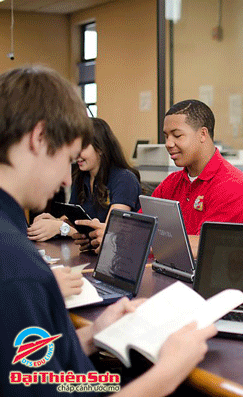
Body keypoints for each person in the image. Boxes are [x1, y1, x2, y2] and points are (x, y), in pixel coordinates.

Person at [0, 65, 217, 396]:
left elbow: (32, 373)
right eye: (68, 159)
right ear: (39, 138)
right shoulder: (19, 270)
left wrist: (93, 335)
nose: (64, 178)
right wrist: (170, 369)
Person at [76, 99, 243, 252]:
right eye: (166, 136)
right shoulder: (172, 183)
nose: (168, 143)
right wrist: (109, 235)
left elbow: (206, 245)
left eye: (177, 135)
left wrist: (120, 238)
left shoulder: (232, 186)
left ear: (203, 134)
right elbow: (139, 226)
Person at [27, 117, 142, 242]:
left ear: (100, 148)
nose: (76, 154)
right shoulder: (82, 178)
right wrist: (55, 222)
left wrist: (61, 228)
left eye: (83, 147)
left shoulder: (124, 179)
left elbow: (110, 232)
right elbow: (75, 220)